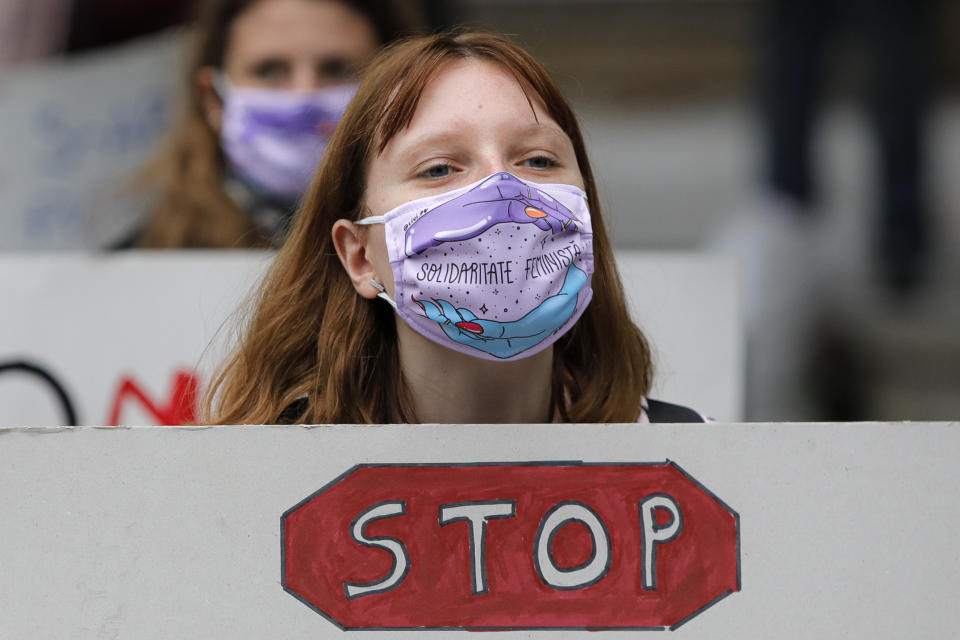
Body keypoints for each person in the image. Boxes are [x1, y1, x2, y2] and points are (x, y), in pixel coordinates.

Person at [203, 32, 704, 424]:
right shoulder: (264, 481)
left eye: (537, 159)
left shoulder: (696, 459)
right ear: (360, 256)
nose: (502, 190)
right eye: (439, 169)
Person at [119, 0, 426, 248]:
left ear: (397, 89)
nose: (305, 96)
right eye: (270, 71)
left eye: (338, 70)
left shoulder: (442, 250)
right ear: (213, 98)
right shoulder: (142, 264)